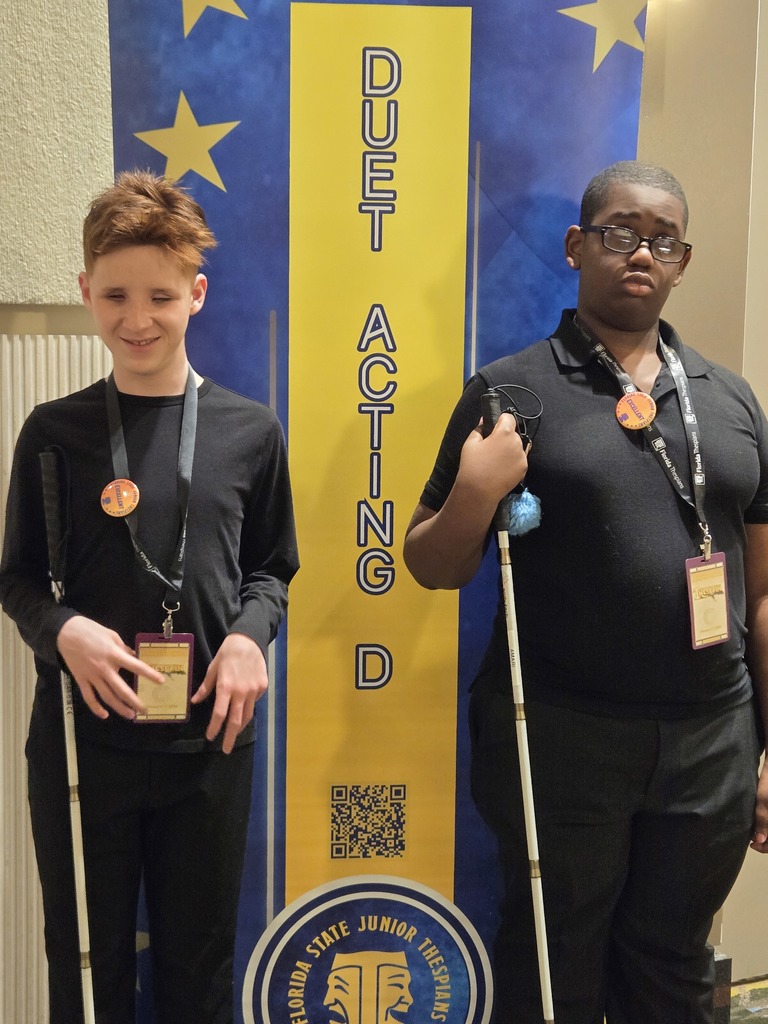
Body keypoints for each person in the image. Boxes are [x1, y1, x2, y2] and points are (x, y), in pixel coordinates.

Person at [403, 161, 768, 1024]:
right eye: (619, 231)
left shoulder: (733, 402)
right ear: (577, 246)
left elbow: (760, 596)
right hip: (560, 738)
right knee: (552, 960)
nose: (641, 251)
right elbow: (429, 561)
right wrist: (475, 490)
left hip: (710, 742)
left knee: (672, 968)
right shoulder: (509, 389)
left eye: (663, 239)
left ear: (683, 261)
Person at [0, 171, 299, 1023]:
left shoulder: (250, 431)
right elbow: (16, 577)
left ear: (196, 294)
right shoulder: (53, 433)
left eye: (161, 296)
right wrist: (63, 632)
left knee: (198, 964)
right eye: (117, 295)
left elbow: (273, 568)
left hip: (208, 744)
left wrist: (248, 638)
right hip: (78, 747)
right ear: (84, 292)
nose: (138, 319)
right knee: (87, 966)